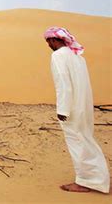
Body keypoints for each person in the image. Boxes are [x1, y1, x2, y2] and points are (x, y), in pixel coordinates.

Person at [44, 27, 110, 193]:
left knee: (77, 142)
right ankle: (100, 179)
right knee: (87, 139)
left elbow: (63, 84)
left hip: (71, 108)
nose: (48, 45)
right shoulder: (77, 56)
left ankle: (86, 182)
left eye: (48, 41)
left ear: (54, 40)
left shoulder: (58, 56)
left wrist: (63, 109)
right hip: (83, 106)